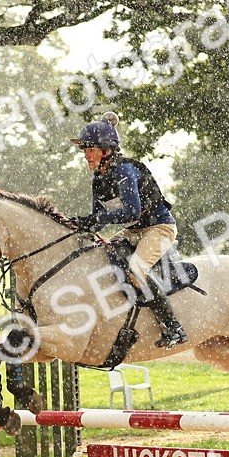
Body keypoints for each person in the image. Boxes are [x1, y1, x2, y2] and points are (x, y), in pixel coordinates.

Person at [70, 112, 189, 348]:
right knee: (98, 256)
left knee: (135, 270)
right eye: (84, 150)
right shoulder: (99, 178)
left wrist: (97, 218)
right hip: (132, 231)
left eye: (90, 150)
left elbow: (132, 212)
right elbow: (99, 218)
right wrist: (80, 225)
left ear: (106, 150)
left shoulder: (124, 170)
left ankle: (174, 327)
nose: (86, 155)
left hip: (158, 228)